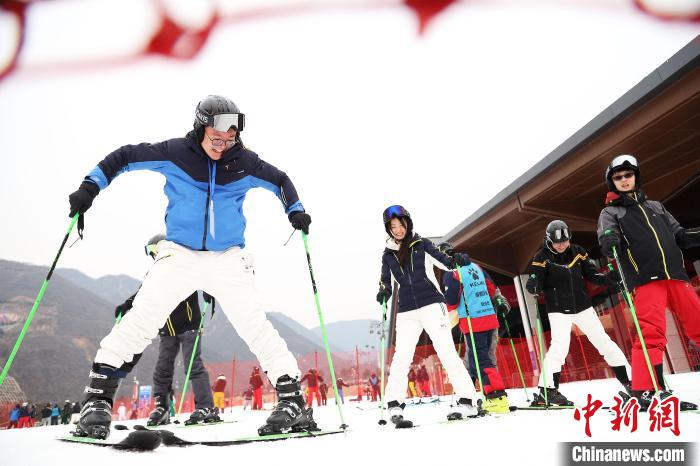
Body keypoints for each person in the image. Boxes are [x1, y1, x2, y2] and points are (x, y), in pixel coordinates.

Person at [67, 95, 315, 439]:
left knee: (254, 325)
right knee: (142, 318)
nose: (223, 146)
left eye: (230, 140)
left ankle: (293, 400)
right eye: (217, 138)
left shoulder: (243, 161)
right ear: (201, 127)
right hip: (180, 254)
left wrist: (295, 210)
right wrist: (89, 187)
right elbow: (124, 157)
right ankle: (97, 400)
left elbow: (281, 181)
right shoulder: (175, 153)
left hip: (228, 257)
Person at [597, 155, 700, 410]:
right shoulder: (611, 212)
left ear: (636, 177)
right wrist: (609, 240)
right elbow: (606, 237)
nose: (623, 180)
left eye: (628, 175)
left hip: (676, 276)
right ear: (612, 183)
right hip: (645, 280)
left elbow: (680, 236)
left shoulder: (656, 206)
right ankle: (648, 390)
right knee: (651, 335)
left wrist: (694, 235)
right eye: (618, 177)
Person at [376, 205, 478, 426]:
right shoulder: (388, 255)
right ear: (388, 229)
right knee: (401, 356)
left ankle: (467, 399)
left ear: (407, 224)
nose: (398, 230)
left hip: (432, 304)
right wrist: (383, 291)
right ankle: (394, 403)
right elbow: (385, 280)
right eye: (393, 227)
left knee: (446, 351)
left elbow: (446, 261)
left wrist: (457, 259)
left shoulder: (422, 244)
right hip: (406, 310)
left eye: (400, 225)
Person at [526, 220, 631, 406]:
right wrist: (533, 284)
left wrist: (608, 279)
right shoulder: (541, 257)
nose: (561, 245)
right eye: (557, 242)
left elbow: (591, 274)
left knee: (604, 342)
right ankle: (547, 391)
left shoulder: (578, 251)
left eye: (565, 241)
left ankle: (632, 383)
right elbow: (536, 279)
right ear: (549, 240)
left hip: (582, 307)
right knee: (559, 348)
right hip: (558, 310)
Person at [117, 236, 218, 426]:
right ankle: (162, 407)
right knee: (162, 369)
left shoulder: (183, 264)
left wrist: (208, 288)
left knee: (192, 366)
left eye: (152, 250)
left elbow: (203, 275)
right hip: (167, 327)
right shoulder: (154, 271)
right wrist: (127, 305)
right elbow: (143, 291)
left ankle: (206, 407)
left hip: (189, 324)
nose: (152, 255)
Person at [439, 241, 510, 413]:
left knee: (480, 362)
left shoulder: (452, 273)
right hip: (490, 319)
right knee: (477, 360)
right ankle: (468, 397)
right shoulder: (476, 267)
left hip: (474, 322)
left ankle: (496, 397)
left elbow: (451, 301)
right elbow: (492, 289)